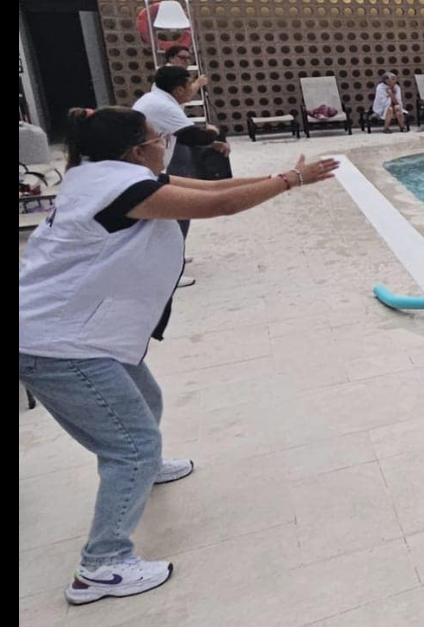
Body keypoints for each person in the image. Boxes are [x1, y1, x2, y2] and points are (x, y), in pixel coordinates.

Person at [19, 107, 339, 605]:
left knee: (146, 400)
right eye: (156, 138)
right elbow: (224, 206)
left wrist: (288, 177)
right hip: (58, 341)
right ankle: (101, 566)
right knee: (131, 445)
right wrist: (292, 181)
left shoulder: (100, 175)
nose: (162, 144)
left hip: (76, 331)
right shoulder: (121, 188)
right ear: (135, 149)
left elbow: (208, 191)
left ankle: (141, 470)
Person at [133, 65, 229, 288]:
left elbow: (181, 134)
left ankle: (172, 256)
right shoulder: (163, 105)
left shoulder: (157, 100)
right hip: (144, 170)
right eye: (189, 85)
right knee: (179, 212)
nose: (191, 89)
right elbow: (196, 136)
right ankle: (170, 270)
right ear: (178, 89)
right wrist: (213, 132)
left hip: (149, 169)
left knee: (167, 219)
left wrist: (212, 141)